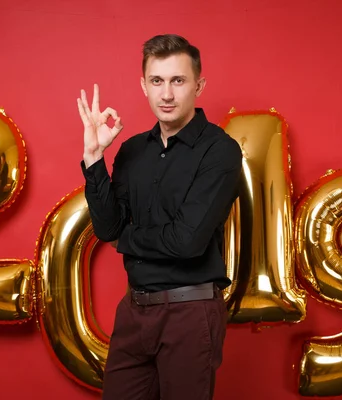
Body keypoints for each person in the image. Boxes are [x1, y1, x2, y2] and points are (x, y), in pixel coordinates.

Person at [77, 33, 243, 400]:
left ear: (199, 85)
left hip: (190, 312)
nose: (166, 94)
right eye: (157, 81)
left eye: (178, 81)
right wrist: (94, 158)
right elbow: (107, 228)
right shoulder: (132, 150)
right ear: (144, 86)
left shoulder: (220, 152)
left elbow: (187, 242)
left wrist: (128, 239)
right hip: (134, 312)